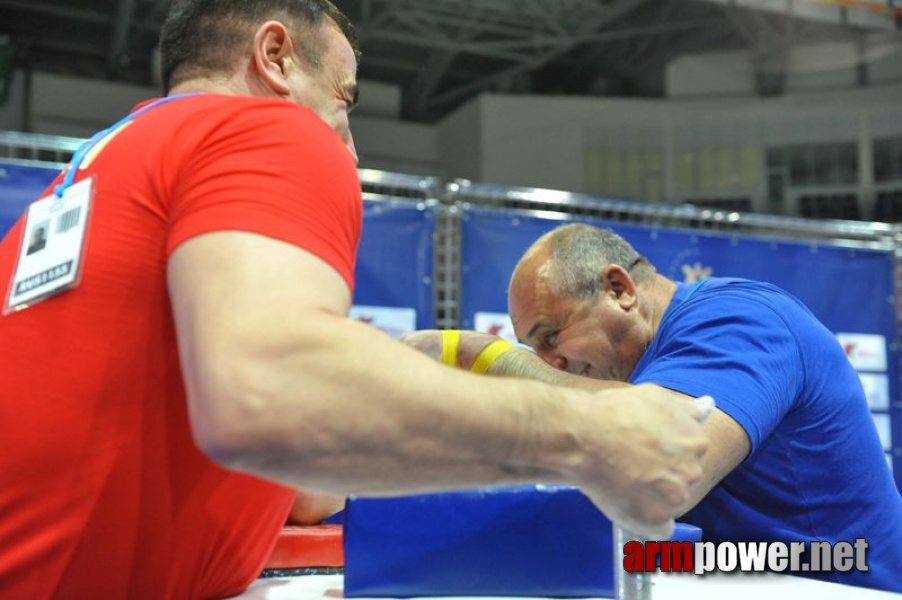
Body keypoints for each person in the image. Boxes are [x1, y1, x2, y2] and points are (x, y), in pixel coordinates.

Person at [0, 3, 711, 599]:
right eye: (345, 98)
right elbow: (273, 396)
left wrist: (395, 396)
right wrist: (591, 439)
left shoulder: (88, 177)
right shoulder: (265, 130)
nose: (348, 138)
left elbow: (282, 470)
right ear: (275, 55)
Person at [404, 222, 902, 593]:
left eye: (552, 337)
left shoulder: (742, 322)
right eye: (535, 351)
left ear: (619, 290)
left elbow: (664, 466)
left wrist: (486, 357)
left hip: (844, 587)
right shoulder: (636, 379)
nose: (550, 363)